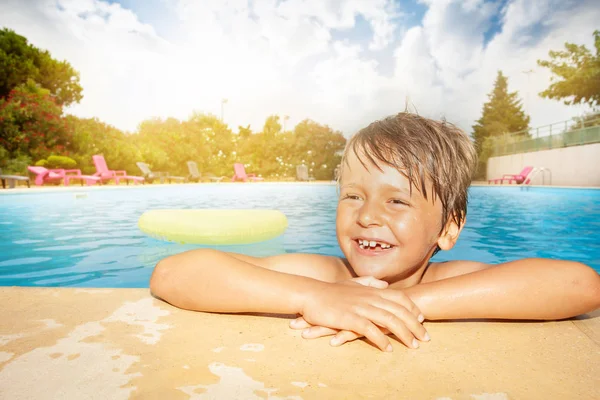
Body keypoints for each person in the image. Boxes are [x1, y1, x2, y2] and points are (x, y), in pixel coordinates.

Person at [150, 112, 600, 352]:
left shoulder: (452, 281)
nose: (367, 216)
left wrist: (400, 304)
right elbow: (174, 273)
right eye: (352, 195)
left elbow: (579, 285)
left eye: (397, 200)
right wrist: (312, 297)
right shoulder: (324, 275)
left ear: (447, 228)